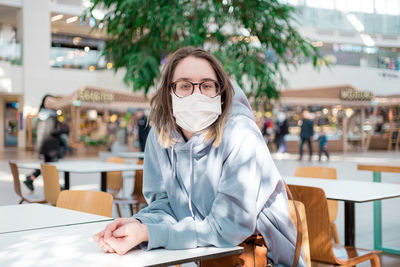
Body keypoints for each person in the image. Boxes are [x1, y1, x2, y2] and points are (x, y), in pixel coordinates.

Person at [93, 47, 304, 266]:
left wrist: (150, 233)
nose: (196, 94)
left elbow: (228, 228)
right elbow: (164, 204)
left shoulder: (242, 136)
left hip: (265, 258)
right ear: (169, 93)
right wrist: (138, 224)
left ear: (221, 94)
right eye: (184, 85)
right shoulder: (160, 136)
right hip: (203, 257)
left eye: (206, 85)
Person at [23, 95, 62, 191]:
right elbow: (49, 132)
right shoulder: (48, 115)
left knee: (47, 167)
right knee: (51, 168)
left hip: (47, 146)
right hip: (49, 147)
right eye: (49, 101)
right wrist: (61, 130)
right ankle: (54, 186)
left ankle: (31, 178)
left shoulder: (45, 114)